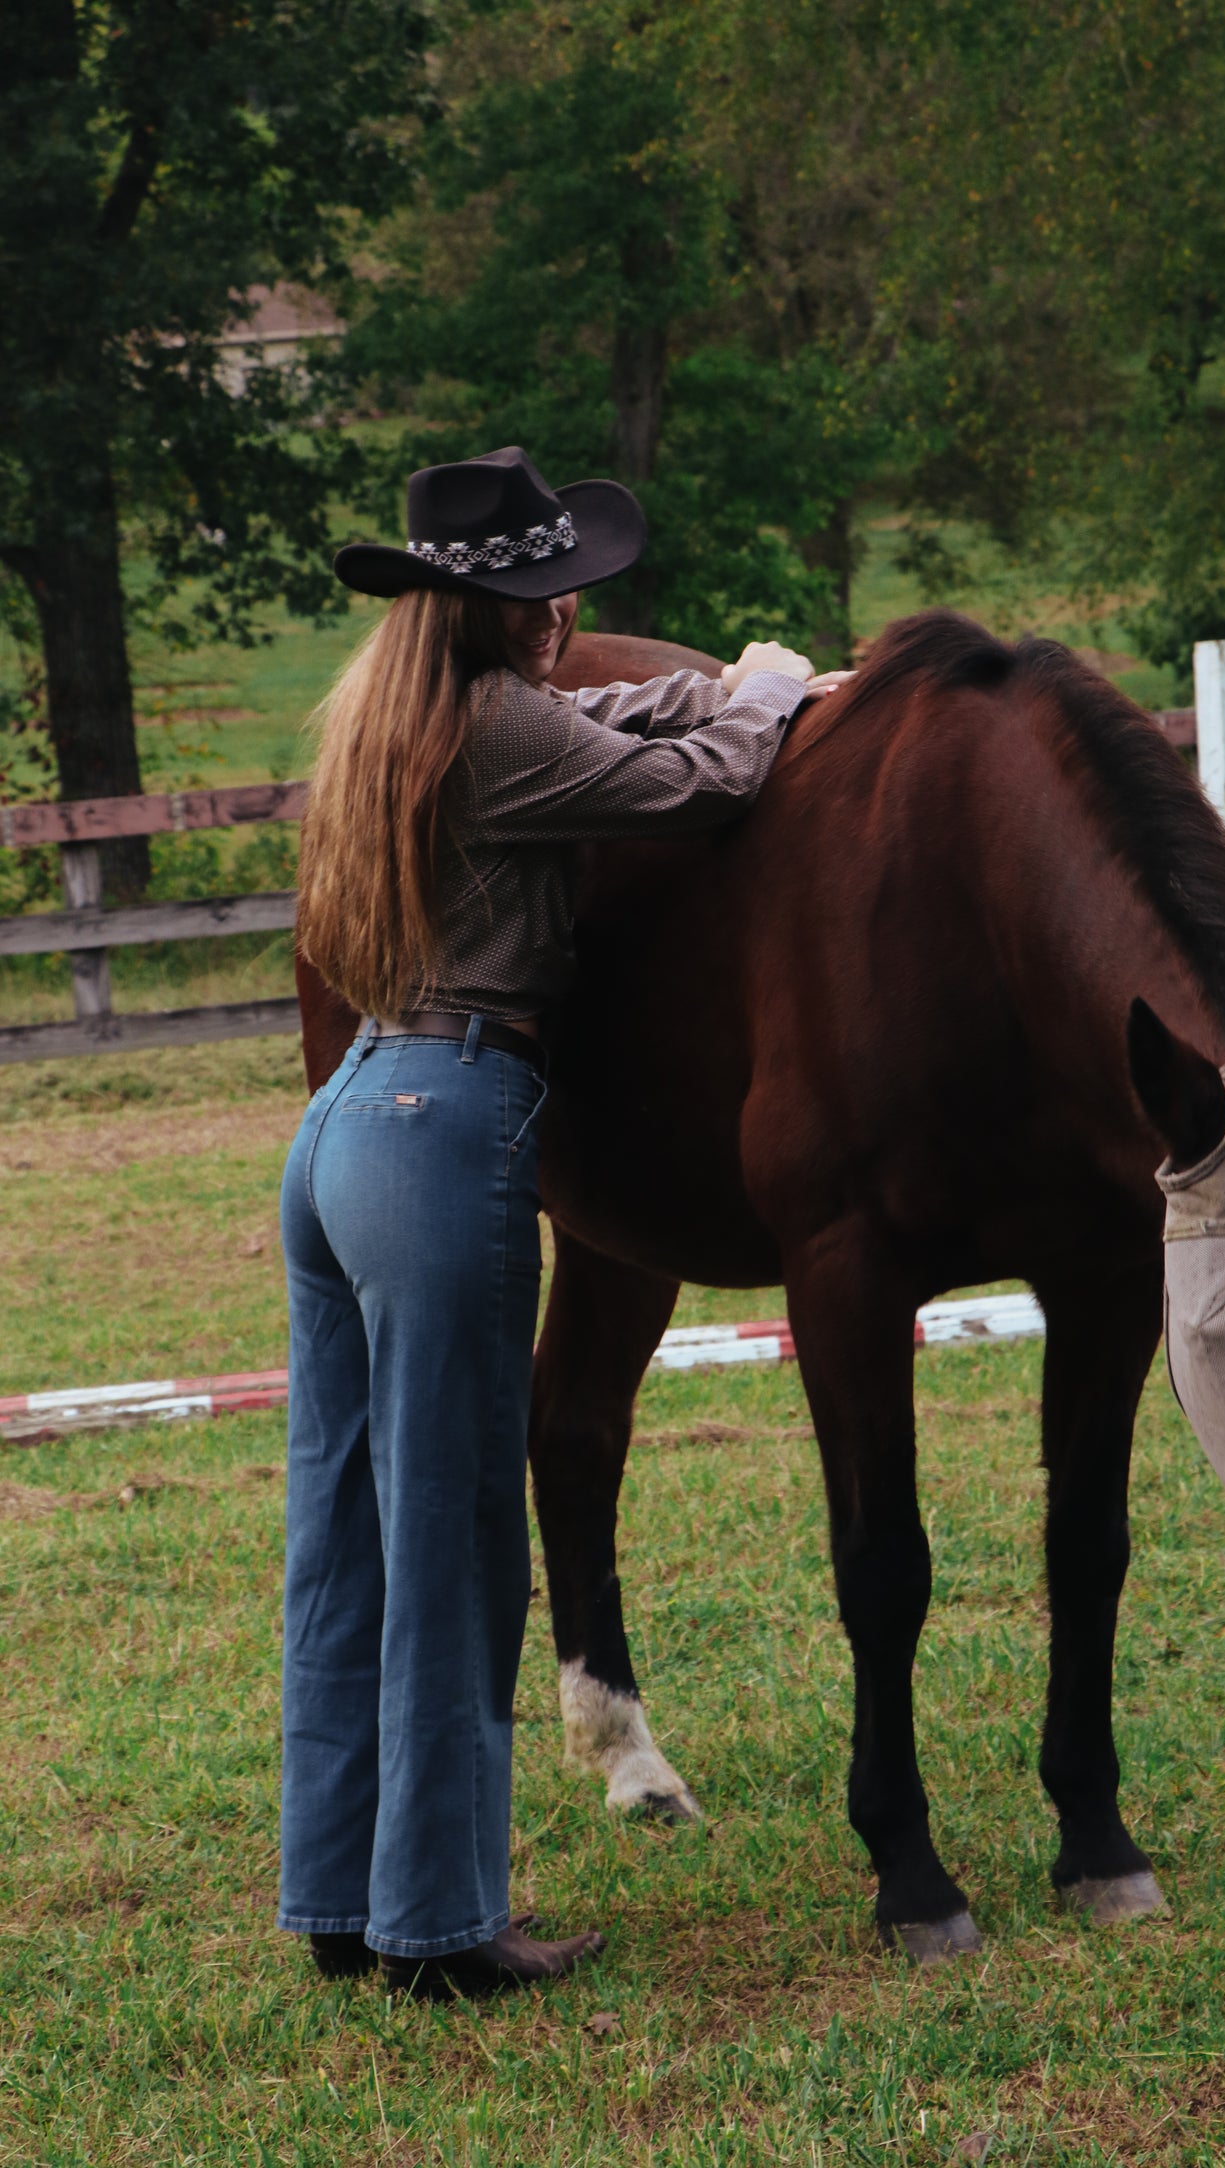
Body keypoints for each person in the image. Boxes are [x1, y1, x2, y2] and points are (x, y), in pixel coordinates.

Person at [278, 446, 850, 2001]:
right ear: (502, 612)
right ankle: (441, 1930)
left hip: (343, 1131)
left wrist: (721, 687)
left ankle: (338, 1897)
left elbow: (617, 720)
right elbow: (706, 783)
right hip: (446, 1122)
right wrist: (773, 688)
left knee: (343, 1537)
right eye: (548, 591)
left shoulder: (397, 718)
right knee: (460, 1538)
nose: (569, 611)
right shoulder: (497, 727)